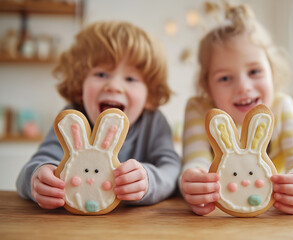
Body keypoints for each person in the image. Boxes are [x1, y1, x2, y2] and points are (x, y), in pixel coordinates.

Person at [180, 4, 293, 216]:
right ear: (207, 86)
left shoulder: (281, 107)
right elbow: (195, 162)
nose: (243, 86)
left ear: (272, 71)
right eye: (225, 78)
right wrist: (193, 181)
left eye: (254, 71)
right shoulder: (199, 110)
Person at [16, 21, 181, 209]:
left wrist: (148, 181)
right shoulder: (72, 119)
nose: (114, 86)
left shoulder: (154, 122)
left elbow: (172, 171)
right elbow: (29, 170)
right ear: (80, 83)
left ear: (149, 95)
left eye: (130, 78)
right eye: (101, 74)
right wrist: (38, 179)